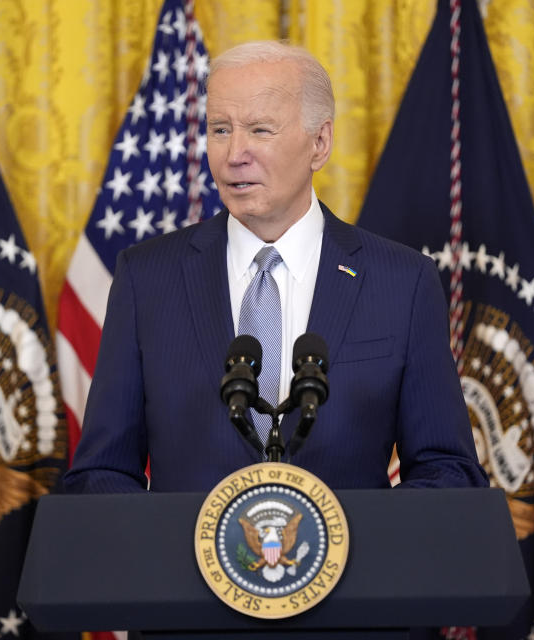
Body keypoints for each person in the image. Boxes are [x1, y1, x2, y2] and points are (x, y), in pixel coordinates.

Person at [64, 41, 486, 493]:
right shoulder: (145, 279)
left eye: (261, 130)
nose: (234, 154)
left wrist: (358, 541)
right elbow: (101, 474)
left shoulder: (403, 283)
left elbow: (448, 471)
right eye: (220, 129)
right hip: (183, 562)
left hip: (353, 563)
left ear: (319, 144)